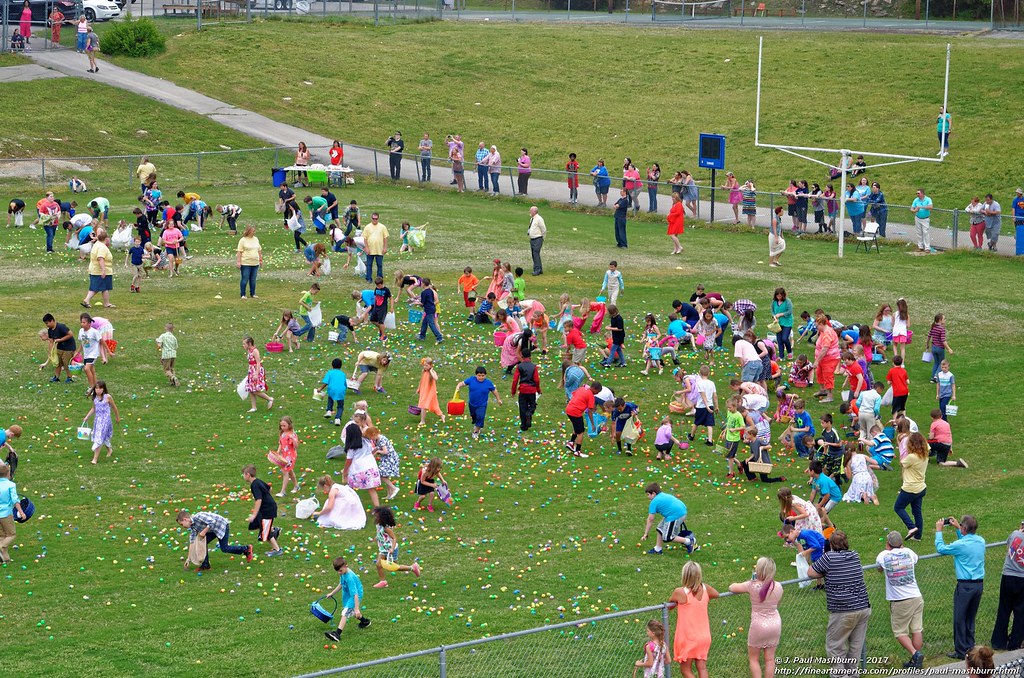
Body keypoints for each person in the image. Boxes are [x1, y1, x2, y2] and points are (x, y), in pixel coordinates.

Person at [806, 531, 871, 678]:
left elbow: (810, 572)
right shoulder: (855, 556)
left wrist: (824, 573)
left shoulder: (829, 558)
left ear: (831, 544)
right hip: (863, 607)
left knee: (835, 646)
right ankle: (852, 674)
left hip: (843, 610)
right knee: (856, 646)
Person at [937, 515, 986, 660]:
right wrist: (959, 529)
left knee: (960, 618)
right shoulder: (981, 541)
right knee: (970, 617)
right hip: (978, 585)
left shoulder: (960, 546)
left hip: (965, 586)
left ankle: (960, 651)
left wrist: (939, 531)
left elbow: (941, 548)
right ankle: (970, 647)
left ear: (965, 528)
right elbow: (964, 542)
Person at [876, 531, 925, 669]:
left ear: (888, 544)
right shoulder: (909, 552)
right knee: (916, 629)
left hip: (900, 601)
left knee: (900, 632)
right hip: (916, 596)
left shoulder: (883, 556)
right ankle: (915, 661)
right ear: (901, 544)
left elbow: (879, 568)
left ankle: (915, 654)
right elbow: (915, 559)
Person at [729, 557, 782, 678]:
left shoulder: (752, 586)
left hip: (759, 626)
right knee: (770, 659)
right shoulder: (778, 586)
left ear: (758, 570)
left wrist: (751, 581)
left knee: (754, 659)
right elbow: (777, 604)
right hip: (775, 624)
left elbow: (732, 587)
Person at [669, 562, 718, 678]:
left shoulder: (680, 592)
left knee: (685, 670)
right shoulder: (706, 589)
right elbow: (716, 594)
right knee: (702, 667)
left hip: (688, 638)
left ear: (685, 575)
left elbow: (670, 604)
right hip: (704, 636)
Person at [176, 509, 252, 571]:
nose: (183, 526)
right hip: (211, 530)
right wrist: (188, 558)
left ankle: (246, 549)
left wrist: (204, 531)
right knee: (201, 543)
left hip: (221, 526)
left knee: (224, 548)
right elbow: (192, 542)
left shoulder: (199, 516)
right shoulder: (192, 527)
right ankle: (205, 566)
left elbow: (213, 522)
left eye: (181, 524)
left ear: (185, 519)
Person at [371, 506, 421, 589]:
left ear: (382, 518)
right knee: (379, 564)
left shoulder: (386, 528)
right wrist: (376, 538)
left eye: (377, 516)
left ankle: (412, 567)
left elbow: (394, 538)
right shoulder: (378, 525)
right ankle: (383, 581)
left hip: (390, 549)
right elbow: (380, 534)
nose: (375, 517)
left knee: (394, 567)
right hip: (383, 549)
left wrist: (392, 548)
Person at [323, 557, 371, 641]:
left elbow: (355, 594)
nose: (339, 573)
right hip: (348, 594)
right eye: (337, 571)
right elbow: (341, 584)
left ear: (346, 566)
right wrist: (332, 593)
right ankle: (365, 622)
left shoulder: (350, 577)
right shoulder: (343, 574)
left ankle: (337, 634)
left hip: (355, 596)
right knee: (350, 612)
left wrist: (357, 608)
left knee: (345, 613)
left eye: (340, 571)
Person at [993, 521, 1024, 651]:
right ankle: (1015, 643)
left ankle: (998, 642)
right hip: (1022, 578)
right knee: (1020, 613)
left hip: (1008, 575)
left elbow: (1009, 548)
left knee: (1004, 609)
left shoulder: (1015, 534)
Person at [642, 483, 696, 555]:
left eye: (648, 494)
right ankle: (658, 549)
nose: (647, 496)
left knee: (668, 537)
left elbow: (650, 519)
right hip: (680, 512)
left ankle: (689, 541)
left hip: (675, 515)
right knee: (660, 528)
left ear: (654, 493)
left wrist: (646, 533)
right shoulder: (663, 495)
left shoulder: (654, 502)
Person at [242, 465, 282, 557]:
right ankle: (274, 531)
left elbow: (258, 500)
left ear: (248, 474)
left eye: (244, 474)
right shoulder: (258, 481)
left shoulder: (254, 485)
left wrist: (254, 514)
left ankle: (277, 549)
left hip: (266, 510)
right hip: (267, 507)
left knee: (265, 532)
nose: (243, 476)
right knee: (255, 525)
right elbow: (269, 488)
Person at [565, 381, 601, 459]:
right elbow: (590, 411)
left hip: (569, 409)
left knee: (577, 427)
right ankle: (577, 451)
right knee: (581, 432)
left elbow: (574, 394)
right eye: (597, 392)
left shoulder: (581, 388)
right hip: (576, 412)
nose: (597, 394)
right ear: (594, 389)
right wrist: (592, 424)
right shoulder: (591, 395)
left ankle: (571, 443)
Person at [0, 464, 27, 563]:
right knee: (11, 534)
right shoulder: (10, 485)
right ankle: (1, 547)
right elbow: (15, 500)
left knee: (2, 536)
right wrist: (21, 512)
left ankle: (5, 559)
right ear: (8, 474)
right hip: (5, 514)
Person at [43, 313, 77, 384]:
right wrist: (50, 352)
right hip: (60, 347)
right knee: (58, 363)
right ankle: (56, 377)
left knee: (66, 363)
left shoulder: (61, 327)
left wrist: (60, 340)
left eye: (47, 323)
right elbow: (51, 341)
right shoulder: (50, 330)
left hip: (69, 347)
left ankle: (69, 378)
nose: (47, 325)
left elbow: (70, 334)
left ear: (52, 320)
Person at [242, 336, 273, 412]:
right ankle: (254, 407)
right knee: (250, 389)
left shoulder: (255, 351)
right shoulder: (249, 350)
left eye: (244, 344)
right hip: (251, 370)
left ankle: (269, 399)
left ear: (249, 344)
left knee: (255, 390)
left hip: (256, 370)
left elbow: (258, 362)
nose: (243, 346)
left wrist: (256, 373)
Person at [362, 213, 389, 283]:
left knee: (379, 265)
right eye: (373, 218)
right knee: (369, 265)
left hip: (379, 250)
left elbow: (385, 238)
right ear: (371, 218)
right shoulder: (367, 227)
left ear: (378, 219)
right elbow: (364, 239)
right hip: (370, 250)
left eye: (376, 219)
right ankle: (368, 278)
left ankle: (379, 278)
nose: (374, 220)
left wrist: (385, 248)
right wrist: (366, 248)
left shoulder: (382, 227)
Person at [155, 323, 179, 387]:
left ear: (165, 328)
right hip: (173, 354)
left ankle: (173, 377)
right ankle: (172, 382)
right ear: (173, 329)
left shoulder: (163, 336)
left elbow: (159, 345)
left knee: (167, 370)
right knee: (171, 368)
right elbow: (176, 347)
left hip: (166, 355)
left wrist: (157, 342)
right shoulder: (174, 337)